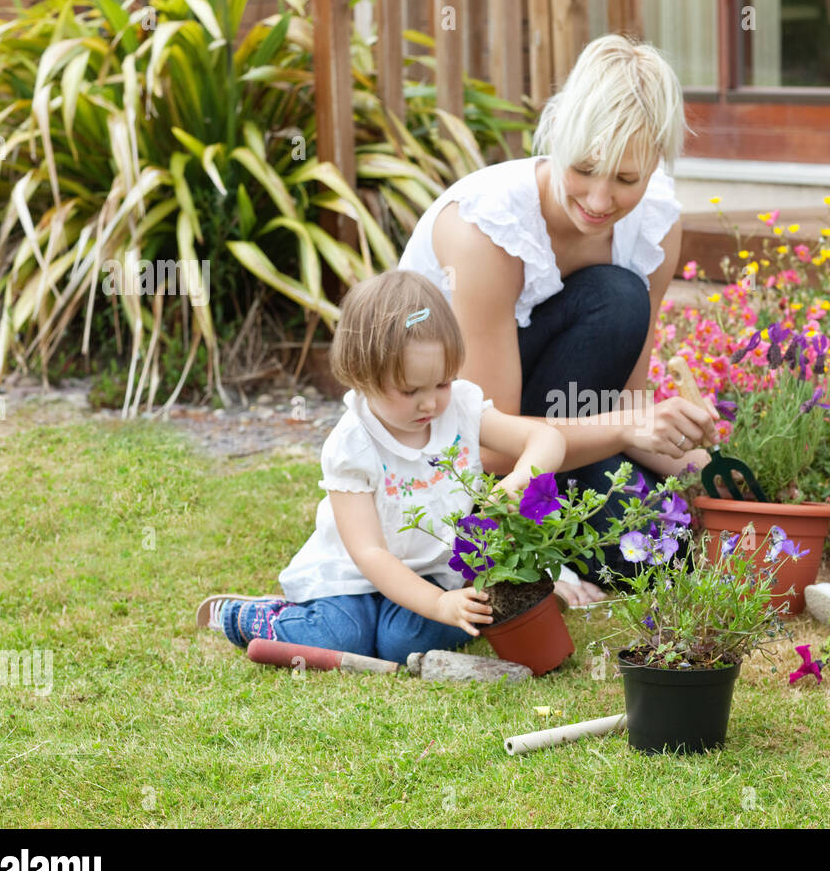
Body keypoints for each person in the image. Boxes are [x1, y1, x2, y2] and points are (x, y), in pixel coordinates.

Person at [397, 34, 717, 599]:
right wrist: (626, 428)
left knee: (657, 561)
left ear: (655, 167)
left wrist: (686, 455)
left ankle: (557, 522)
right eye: (584, 167)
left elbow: (617, 397)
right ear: (556, 136)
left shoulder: (655, 223)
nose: (598, 200)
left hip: (555, 439)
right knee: (615, 296)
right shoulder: (485, 230)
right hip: (451, 448)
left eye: (626, 179)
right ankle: (522, 540)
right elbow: (487, 442)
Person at [195, 271, 566, 662]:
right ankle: (255, 616)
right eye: (410, 390)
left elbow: (547, 439)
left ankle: (446, 610)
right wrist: (439, 607)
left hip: (432, 571)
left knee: (401, 645)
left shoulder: (459, 408)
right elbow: (369, 553)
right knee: (341, 638)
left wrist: (517, 482)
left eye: (442, 383)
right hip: (350, 578)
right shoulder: (352, 444)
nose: (430, 404)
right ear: (362, 377)